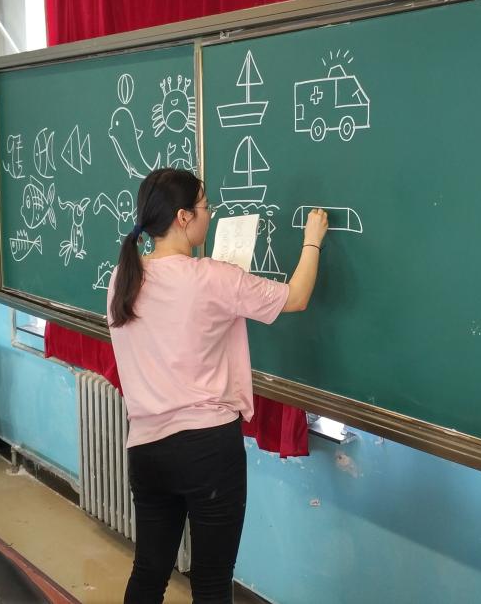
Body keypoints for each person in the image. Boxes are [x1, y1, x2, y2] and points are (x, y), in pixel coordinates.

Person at [107, 167, 328, 604]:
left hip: (146, 448)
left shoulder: (123, 279)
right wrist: (313, 239)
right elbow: (297, 296)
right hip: (207, 449)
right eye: (206, 207)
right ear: (183, 217)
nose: (211, 214)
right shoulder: (211, 277)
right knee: (211, 581)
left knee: (149, 571)